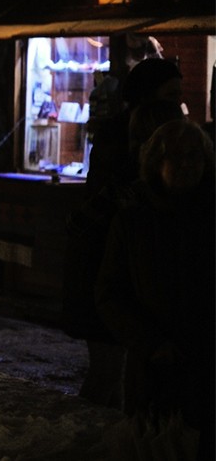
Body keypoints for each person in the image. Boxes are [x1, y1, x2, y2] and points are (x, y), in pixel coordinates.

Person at [63, 57, 184, 406]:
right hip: (105, 271)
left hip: (123, 276)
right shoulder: (124, 146)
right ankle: (92, 434)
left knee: (123, 375)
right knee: (108, 372)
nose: (178, 103)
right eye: (171, 95)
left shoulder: (157, 139)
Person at [96, 120, 214, 457]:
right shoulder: (133, 222)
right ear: (155, 163)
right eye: (175, 157)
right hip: (155, 371)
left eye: (194, 157)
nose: (186, 165)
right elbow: (110, 294)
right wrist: (150, 343)